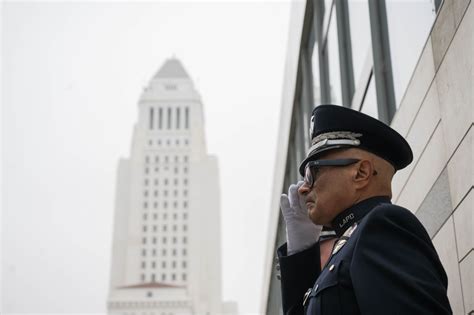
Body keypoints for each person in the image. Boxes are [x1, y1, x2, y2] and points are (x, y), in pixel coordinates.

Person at [278, 105, 452, 314]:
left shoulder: (382, 226)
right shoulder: (350, 243)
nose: (304, 187)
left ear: (361, 173)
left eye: (312, 172)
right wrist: (301, 256)